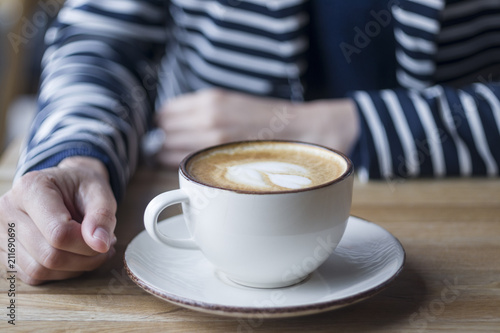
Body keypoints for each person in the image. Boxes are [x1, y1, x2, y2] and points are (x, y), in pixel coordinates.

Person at [1, 0, 499, 285]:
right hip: (186, 199)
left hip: (464, 221)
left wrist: (334, 127)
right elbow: (103, 41)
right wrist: (78, 153)